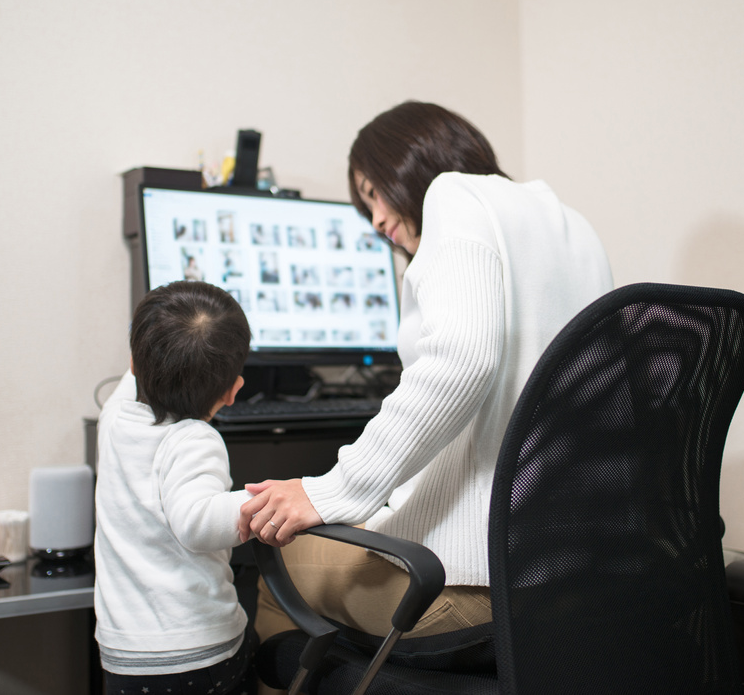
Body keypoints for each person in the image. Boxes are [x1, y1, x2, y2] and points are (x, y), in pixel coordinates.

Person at [237, 101, 614, 661]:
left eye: (373, 192)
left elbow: (461, 360)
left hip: (474, 586)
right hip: (580, 579)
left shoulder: (453, 196)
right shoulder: (569, 223)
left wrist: (328, 491)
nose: (376, 220)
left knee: (268, 569)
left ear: (410, 161)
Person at [94, 280, 257, 695]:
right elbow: (197, 521)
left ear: (132, 363)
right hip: (197, 650)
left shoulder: (112, 420)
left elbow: (136, 371)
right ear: (234, 391)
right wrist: (259, 503)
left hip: (124, 653)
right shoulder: (195, 440)